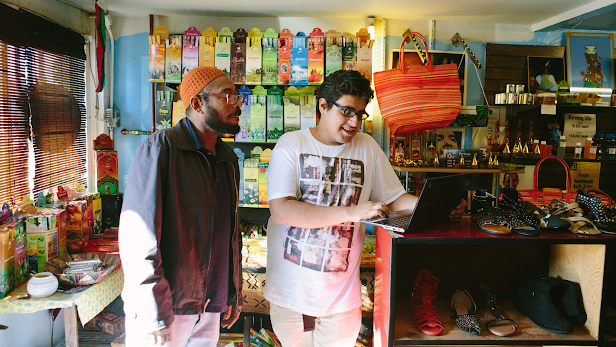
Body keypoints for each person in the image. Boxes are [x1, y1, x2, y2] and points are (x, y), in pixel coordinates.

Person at [264, 70, 467, 346]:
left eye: (360, 114)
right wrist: (355, 212)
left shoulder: (367, 147)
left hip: (342, 297)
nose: (354, 122)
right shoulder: (291, 144)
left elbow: (395, 199)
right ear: (322, 105)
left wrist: (435, 206)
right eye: (347, 111)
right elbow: (283, 211)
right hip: (293, 296)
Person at [119, 66, 243, 347]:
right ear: (198, 103)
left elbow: (229, 234)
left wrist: (232, 292)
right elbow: (139, 239)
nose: (237, 105)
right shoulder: (161, 148)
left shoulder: (227, 158)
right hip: (168, 308)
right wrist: (152, 311)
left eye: (237, 97)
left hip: (211, 304)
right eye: (227, 96)